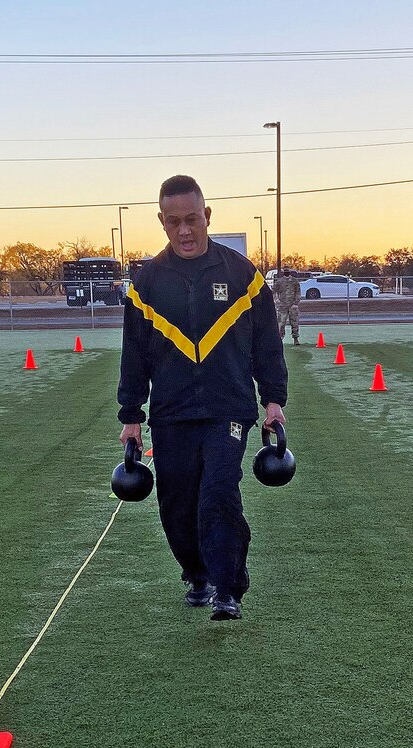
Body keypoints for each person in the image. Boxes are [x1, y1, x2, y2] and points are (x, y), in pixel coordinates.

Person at [117, 175, 288, 622]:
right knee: (177, 502)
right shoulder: (146, 284)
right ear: (162, 222)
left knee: (218, 493)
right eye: (174, 222)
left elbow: (267, 343)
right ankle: (196, 574)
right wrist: (131, 415)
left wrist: (273, 401)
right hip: (171, 412)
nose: (184, 230)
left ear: (206, 216)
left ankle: (228, 587)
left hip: (228, 408)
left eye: (192, 219)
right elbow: (133, 355)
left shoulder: (243, 277)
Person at [273, 265, 301, 345]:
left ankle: (296, 339)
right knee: (281, 323)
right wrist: (277, 301)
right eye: (285, 271)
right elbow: (274, 291)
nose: (286, 272)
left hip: (292, 306)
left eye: (287, 270)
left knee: (294, 323)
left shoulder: (295, 281)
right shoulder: (279, 281)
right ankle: (280, 339)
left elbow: (298, 292)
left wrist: (296, 303)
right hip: (282, 306)